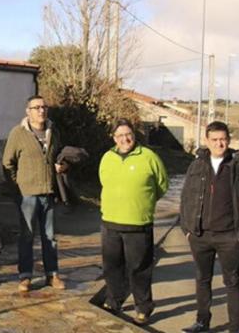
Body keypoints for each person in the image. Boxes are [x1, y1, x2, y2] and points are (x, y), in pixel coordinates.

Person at [180, 121, 239, 333]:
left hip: (230, 237)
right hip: (200, 235)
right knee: (202, 279)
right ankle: (202, 322)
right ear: (206, 141)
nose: (219, 144)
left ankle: (236, 328)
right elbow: (186, 196)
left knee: (232, 283)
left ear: (229, 140)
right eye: (214, 140)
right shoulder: (197, 164)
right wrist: (186, 228)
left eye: (223, 139)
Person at [98, 118, 168, 325]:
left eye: (127, 134)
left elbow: (162, 185)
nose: (124, 139)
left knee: (139, 268)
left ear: (134, 135)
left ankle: (144, 307)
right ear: (114, 138)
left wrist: (143, 203)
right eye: (119, 135)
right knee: (112, 267)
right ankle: (114, 300)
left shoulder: (149, 157)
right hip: (110, 222)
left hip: (138, 223)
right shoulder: (107, 158)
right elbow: (103, 181)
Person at [2, 95, 66, 292]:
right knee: (27, 236)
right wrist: (18, 189)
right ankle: (25, 276)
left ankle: (52, 275)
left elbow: (60, 154)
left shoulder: (53, 132)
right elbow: (7, 163)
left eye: (44, 107)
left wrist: (62, 166)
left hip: (48, 193)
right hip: (27, 195)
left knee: (50, 237)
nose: (41, 110)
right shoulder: (18, 133)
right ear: (27, 111)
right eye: (36, 107)